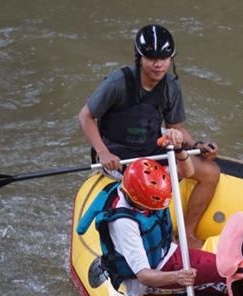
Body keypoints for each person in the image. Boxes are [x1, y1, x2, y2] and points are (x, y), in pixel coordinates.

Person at [77, 24, 220, 239]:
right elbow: (85, 116)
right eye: (152, 58)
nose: (159, 64)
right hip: (118, 155)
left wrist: (197, 146)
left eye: (164, 58)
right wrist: (103, 153)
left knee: (210, 172)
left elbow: (175, 128)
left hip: (152, 148)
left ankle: (187, 234)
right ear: (140, 58)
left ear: (171, 59)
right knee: (158, 184)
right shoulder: (118, 83)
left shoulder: (171, 85)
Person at [76, 157, 221, 296]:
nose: (153, 209)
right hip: (149, 279)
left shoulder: (153, 183)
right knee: (222, 274)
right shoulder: (124, 223)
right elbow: (144, 276)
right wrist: (177, 276)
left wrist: (180, 151)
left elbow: (187, 172)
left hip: (168, 253)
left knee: (223, 265)